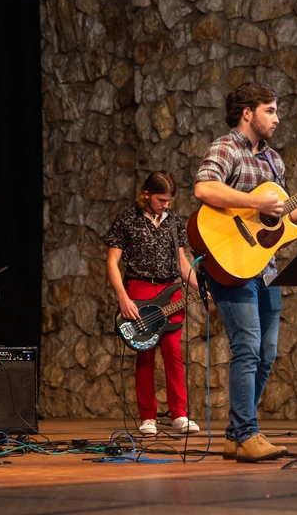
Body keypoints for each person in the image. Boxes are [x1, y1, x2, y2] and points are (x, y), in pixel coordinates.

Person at [194, 81, 297, 462]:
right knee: (248, 349)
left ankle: (234, 434)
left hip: (265, 266)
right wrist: (255, 200)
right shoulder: (226, 148)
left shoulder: (274, 161)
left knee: (267, 353)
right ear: (247, 113)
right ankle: (247, 433)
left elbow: (283, 218)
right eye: (270, 110)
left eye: (276, 110)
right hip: (231, 266)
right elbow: (205, 190)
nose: (277, 117)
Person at [105, 171, 201, 436]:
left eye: (169, 200)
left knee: (174, 353)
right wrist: (123, 296)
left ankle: (179, 415)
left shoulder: (174, 221)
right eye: (161, 200)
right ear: (146, 194)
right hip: (140, 288)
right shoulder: (127, 219)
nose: (166, 205)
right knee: (145, 354)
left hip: (170, 290)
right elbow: (112, 261)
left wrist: (199, 285)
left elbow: (182, 261)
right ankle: (148, 417)